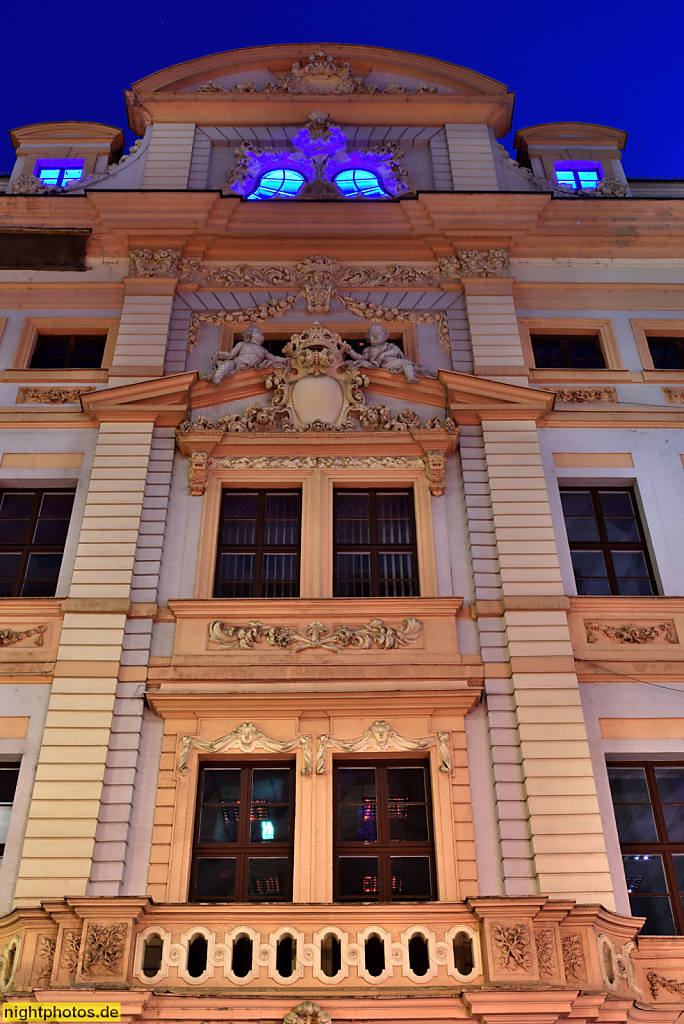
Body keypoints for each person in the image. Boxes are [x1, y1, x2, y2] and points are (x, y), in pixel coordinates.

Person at [343, 323, 434, 383]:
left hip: (390, 362)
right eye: (372, 334)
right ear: (368, 338)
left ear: (385, 336)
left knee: (405, 362)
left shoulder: (389, 345)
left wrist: (384, 354)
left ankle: (410, 377)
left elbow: (396, 351)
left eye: (378, 334)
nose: (375, 336)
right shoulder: (368, 349)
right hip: (383, 366)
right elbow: (361, 358)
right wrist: (351, 352)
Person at [210, 324, 289, 384]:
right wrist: (218, 354)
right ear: (251, 335)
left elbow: (274, 358)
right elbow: (231, 355)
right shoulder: (243, 344)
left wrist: (285, 359)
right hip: (239, 363)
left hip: (255, 367)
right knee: (228, 364)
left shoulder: (263, 350)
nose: (260, 334)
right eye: (258, 332)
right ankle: (217, 378)